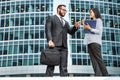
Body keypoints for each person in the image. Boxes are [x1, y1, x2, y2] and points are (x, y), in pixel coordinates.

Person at [45, 4, 80, 76]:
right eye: (63, 10)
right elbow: (47, 30)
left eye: (65, 11)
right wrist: (50, 40)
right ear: (58, 9)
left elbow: (71, 32)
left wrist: (75, 27)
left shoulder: (65, 22)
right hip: (54, 45)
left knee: (64, 67)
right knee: (51, 66)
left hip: (64, 47)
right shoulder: (51, 18)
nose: (65, 12)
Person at [81, 8, 109, 76]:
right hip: (89, 43)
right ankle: (97, 75)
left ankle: (106, 75)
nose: (90, 13)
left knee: (99, 59)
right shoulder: (91, 22)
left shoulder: (98, 20)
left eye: (91, 12)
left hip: (95, 43)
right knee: (94, 61)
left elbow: (99, 31)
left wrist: (90, 28)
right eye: (89, 12)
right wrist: (83, 24)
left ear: (95, 13)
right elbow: (87, 32)